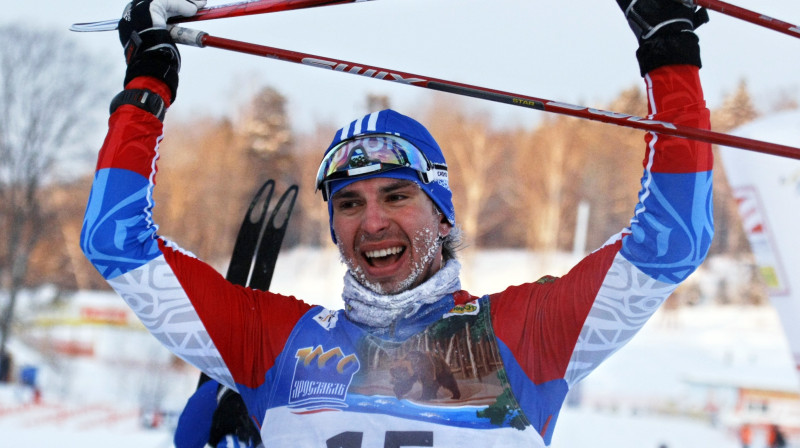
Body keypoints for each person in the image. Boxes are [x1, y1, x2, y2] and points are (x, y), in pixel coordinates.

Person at [80, 0, 714, 445]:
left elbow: (670, 241)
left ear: (441, 211)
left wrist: (669, 55)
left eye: (396, 195)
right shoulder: (270, 344)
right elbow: (115, 241)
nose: (372, 222)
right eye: (349, 205)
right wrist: (146, 88)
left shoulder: (525, 335)